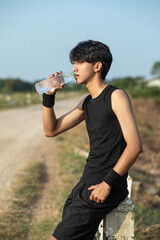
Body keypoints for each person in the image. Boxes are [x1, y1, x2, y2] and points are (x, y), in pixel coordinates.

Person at [42, 40, 142, 240]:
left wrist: (107, 184)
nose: (74, 68)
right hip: (85, 183)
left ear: (97, 66)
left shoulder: (116, 96)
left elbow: (135, 146)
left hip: (105, 186)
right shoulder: (86, 103)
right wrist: (48, 96)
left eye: (79, 62)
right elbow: (51, 130)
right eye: (73, 63)